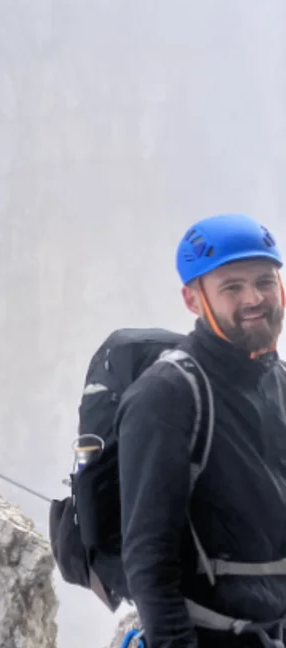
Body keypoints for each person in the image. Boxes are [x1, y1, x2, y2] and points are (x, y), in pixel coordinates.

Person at [118, 212, 286, 648]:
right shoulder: (168, 396)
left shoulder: (278, 381)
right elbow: (148, 558)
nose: (254, 298)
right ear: (193, 300)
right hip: (210, 634)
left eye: (265, 281)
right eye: (232, 286)